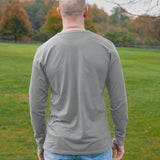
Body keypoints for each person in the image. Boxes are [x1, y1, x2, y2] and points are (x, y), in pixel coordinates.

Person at [29, 0, 128, 160]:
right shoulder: (107, 48)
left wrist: (41, 142)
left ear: (59, 13)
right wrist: (119, 139)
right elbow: (119, 102)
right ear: (86, 12)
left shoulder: (43, 52)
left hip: (57, 147)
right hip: (98, 147)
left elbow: (36, 106)